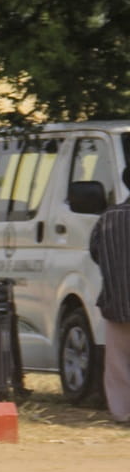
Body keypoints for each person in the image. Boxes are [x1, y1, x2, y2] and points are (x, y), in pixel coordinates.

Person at [89, 167, 130, 424]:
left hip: (117, 303)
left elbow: (95, 253)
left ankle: (123, 413)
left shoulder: (108, 217)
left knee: (119, 365)